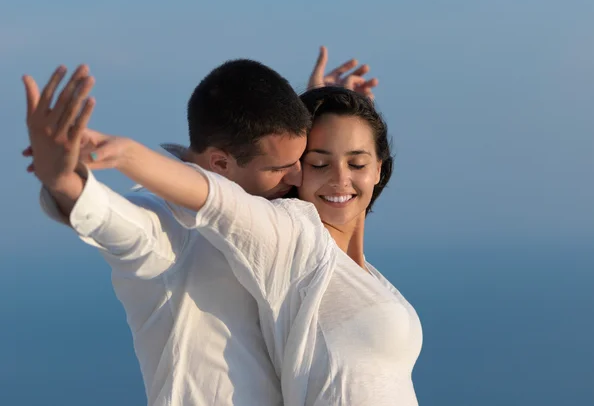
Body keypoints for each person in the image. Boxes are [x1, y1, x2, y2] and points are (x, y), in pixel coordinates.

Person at [25, 71, 422, 404]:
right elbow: (122, 224)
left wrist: (331, 110)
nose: (299, 177)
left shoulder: (291, 227)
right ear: (221, 164)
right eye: (303, 164)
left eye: (304, 162)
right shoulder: (172, 221)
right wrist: (68, 182)